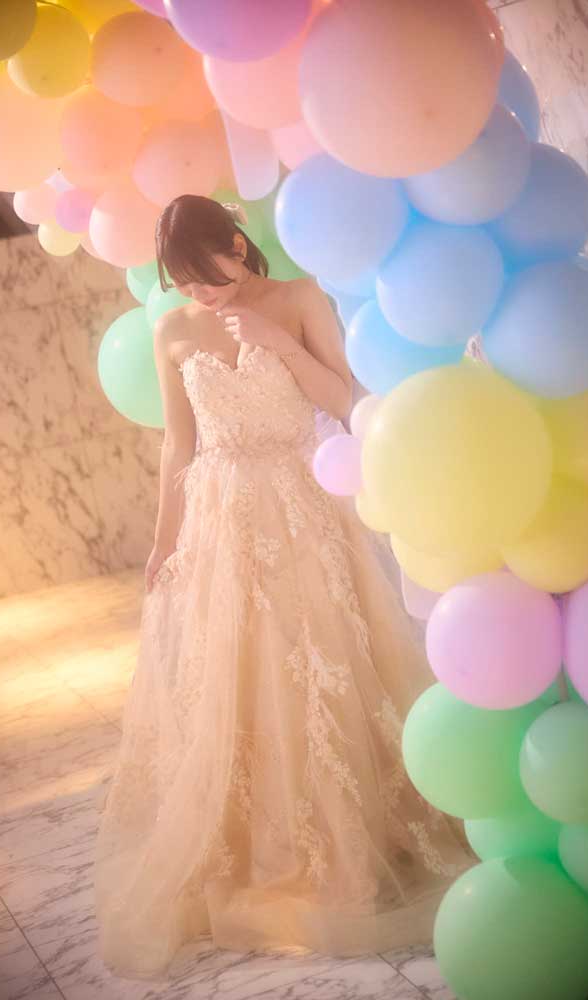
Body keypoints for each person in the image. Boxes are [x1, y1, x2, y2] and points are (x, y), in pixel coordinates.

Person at [93, 194, 473, 980]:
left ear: (237, 246)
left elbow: (347, 402)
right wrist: (163, 542)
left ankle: (358, 838)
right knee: (241, 684)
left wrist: (276, 345)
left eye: (207, 275)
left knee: (325, 672)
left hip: (304, 517)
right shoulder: (172, 331)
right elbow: (178, 446)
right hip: (224, 525)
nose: (199, 294)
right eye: (182, 284)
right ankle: (267, 847)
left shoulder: (298, 299)